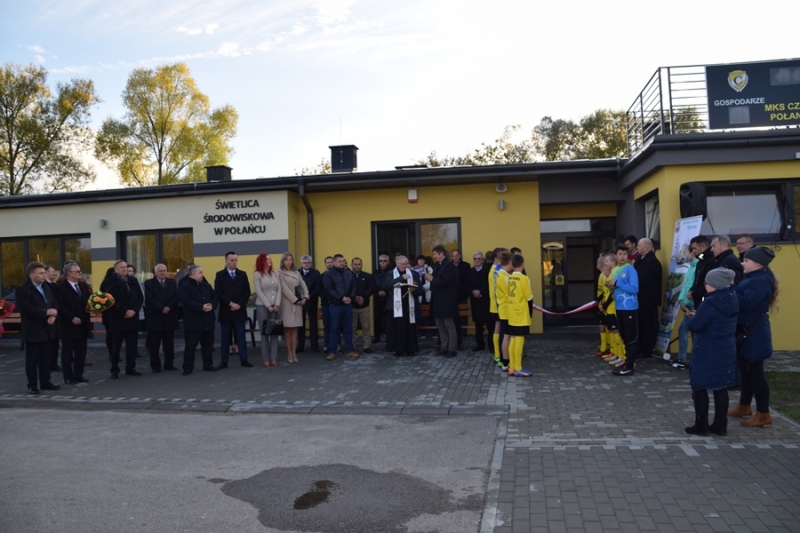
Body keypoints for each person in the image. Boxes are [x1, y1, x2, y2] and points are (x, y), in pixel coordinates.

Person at [684, 267, 738, 436]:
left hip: (707, 349)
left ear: (715, 284)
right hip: (726, 348)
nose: (705, 285)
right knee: (720, 387)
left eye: (707, 282)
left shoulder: (710, 303)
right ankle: (720, 425)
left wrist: (694, 317)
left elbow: (695, 325)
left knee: (699, 385)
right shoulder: (731, 298)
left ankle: (702, 425)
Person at [729, 247, 779, 428]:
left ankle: (763, 414)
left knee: (756, 372)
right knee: (745, 369)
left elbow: (747, 302)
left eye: (746, 261)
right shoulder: (753, 278)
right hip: (747, 330)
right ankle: (744, 406)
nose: (743, 263)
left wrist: (731, 289)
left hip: (754, 332)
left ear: (758, 263)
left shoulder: (760, 280)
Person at [17, 261, 60, 394]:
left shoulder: (46, 287)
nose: (44, 275)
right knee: (32, 359)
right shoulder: (23, 290)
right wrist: (46, 313)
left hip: (48, 329)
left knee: (46, 358)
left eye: (44, 273)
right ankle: (32, 385)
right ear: (31, 275)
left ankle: (45, 382)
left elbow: (54, 302)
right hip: (33, 331)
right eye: (40, 273)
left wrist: (53, 315)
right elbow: (26, 309)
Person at [53, 262, 91, 384]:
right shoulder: (60, 287)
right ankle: (68, 377)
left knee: (81, 352)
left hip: (82, 324)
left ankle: (78, 375)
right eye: (77, 271)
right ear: (69, 273)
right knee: (67, 353)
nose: (80, 273)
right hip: (68, 326)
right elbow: (60, 306)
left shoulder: (82, 286)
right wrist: (71, 318)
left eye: (80, 271)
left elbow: (88, 302)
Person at [214, 251, 253, 368]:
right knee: (225, 338)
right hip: (226, 311)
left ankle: (244, 359)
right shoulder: (220, 275)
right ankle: (224, 361)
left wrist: (239, 304)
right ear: (226, 261)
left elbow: (247, 291)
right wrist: (230, 303)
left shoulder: (242, 274)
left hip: (239, 311)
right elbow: (219, 292)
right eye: (231, 260)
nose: (234, 262)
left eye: (236, 260)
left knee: (241, 337)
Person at [105, 260, 144, 379]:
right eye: (122, 267)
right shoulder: (109, 282)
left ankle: (131, 368)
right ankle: (114, 370)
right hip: (118, 318)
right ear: (115, 269)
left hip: (132, 317)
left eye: (126, 267)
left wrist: (134, 310)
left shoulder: (133, 280)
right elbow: (110, 300)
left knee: (132, 345)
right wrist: (125, 311)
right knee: (116, 346)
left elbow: (140, 297)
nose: (125, 269)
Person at [178, 265, 219, 375]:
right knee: (190, 346)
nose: (202, 274)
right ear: (193, 274)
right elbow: (186, 301)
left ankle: (208, 364)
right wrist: (201, 307)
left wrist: (212, 305)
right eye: (200, 272)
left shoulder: (205, 285)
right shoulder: (185, 286)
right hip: (193, 322)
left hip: (208, 320)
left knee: (208, 345)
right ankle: (188, 367)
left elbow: (215, 297)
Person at [607, 244, 639, 376]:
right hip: (619, 307)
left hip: (630, 308)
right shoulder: (614, 270)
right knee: (624, 336)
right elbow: (613, 289)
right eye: (620, 254)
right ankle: (627, 361)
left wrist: (617, 283)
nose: (622, 257)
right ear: (615, 256)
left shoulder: (630, 270)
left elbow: (634, 289)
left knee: (631, 337)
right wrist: (610, 287)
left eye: (625, 254)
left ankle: (630, 365)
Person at [144, 263, 179, 373]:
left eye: (164, 270)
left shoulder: (172, 282)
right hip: (155, 317)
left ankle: (169, 364)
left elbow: (176, 297)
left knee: (169, 343)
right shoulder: (149, 283)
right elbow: (150, 299)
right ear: (155, 273)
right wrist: (162, 308)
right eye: (160, 271)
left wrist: (169, 307)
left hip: (169, 316)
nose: (163, 273)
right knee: (154, 344)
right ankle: (155, 366)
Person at [322, 254, 359, 360]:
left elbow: (354, 286)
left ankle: (350, 350)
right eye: (339, 261)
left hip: (347, 305)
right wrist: (341, 298)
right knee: (334, 328)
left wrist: (350, 297)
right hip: (335, 305)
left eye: (343, 261)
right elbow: (328, 289)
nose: (342, 263)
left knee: (348, 328)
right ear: (334, 262)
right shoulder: (329, 274)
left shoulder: (349, 273)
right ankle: (332, 351)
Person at [382, 255, 420, 356]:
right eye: (403, 264)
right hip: (395, 306)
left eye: (406, 264)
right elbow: (387, 285)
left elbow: (418, 288)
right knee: (397, 328)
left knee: (409, 328)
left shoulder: (412, 273)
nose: (405, 266)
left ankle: (410, 349)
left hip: (408, 305)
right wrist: (401, 278)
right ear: (397, 264)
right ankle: (398, 349)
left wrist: (414, 289)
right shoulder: (391, 273)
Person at [425, 245, 459, 358]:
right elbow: (435, 281)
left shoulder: (449, 266)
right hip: (438, 301)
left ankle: (452, 349)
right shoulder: (438, 266)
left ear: (441, 253)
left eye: (435, 254)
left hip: (447, 301)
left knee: (449, 325)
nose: (434, 256)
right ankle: (444, 347)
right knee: (440, 325)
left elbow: (445, 281)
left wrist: (432, 279)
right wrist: (431, 279)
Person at [634, 238, 662, 360]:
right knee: (641, 324)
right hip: (641, 299)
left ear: (646, 247)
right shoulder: (641, 259)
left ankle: (647, 349)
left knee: (648, 325)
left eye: (639, 246)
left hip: (648, 300)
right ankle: (640, 348)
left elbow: (642, 280)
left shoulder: (651, 262)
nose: (637, 248)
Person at [278, 252, 308, 363]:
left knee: (295, 328)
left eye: (290, 260)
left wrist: (305, 297)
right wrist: (295, 300)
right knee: (288, 328)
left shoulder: (296, 272)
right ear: (283, 261)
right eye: (286, 260)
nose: (288, 262)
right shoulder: (279, 273)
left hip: (298, 304)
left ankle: (294, 352)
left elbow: (303, 285)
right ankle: (289, 353)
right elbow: (284, 289)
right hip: (287, 303)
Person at [506, 254, 533, 377]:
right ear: (522, 264)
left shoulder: (509, 278)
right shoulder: (524, 279)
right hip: (520, 313)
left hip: (511, 313)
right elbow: (529, 297)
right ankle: (518, 367)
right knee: (520, 340)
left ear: (512, 264)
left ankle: (512, 366)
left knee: (512, 339)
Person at [673, 247, 699, 370]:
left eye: (687, 252)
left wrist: (686, 301)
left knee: (683, 329)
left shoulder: (698, 266)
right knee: (692, 331)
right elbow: (686, 286)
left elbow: (693, 288)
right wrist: (681, 299)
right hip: (688, 304)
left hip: (693, 304)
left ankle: (682, 359)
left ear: (693, 252)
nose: (686, 255)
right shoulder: (691, 267)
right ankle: (693, 359)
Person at [254, 253, 282, 367]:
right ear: (261, 261)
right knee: (264, 332)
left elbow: (279, 289)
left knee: (274, 331)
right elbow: (259, 291)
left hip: (275, 306)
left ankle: (274, 358)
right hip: (262, 306)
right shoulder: (257, 274)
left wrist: (277, 304)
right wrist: (268, 305)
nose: (269, 261)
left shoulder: (275, 273)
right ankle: (266, 359)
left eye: (270, 259)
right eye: (266, 259)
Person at [467, 251, 491, 352]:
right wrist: (473, 291)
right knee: (478, 325)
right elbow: (467, 284)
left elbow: (489, 284)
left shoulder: (488, 270)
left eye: (479, 259)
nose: (477, 260)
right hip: (475, 301)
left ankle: (491, 345)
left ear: (482, 260)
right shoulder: (470, 272)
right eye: (475, 259)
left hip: (486, 301)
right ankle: (480, 344)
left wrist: (481, 292)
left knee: (490, 325)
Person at [298, 255, 321, 353]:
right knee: (300, 324)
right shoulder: (297, 273)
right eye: (305, 263)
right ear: (301, 264)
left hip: (312, 300)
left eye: (308, 263)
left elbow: (317, 287)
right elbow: (295, 287)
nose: (307, 264)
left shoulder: (316, 273)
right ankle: (300, 346)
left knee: (313, 324)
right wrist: (301, 298)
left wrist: (308, 297)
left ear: (311, 263)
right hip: (300, 301)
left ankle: (314, 346)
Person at [351, 257, 374, 353]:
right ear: (352, 265)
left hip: (364, 306)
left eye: (359, 264)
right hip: (351, 307)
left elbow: (371, 288)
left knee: (366, 327)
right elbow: (346, 289)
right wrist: (354, 297)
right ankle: (352, 346)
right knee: (352, 328)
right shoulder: (348, 276)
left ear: (361, 265)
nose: (357, 266)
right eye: (355, 264)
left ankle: (367, 345)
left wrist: (363, 297)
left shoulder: (367, 276)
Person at [451, 248, 471, 350]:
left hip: (462, 294)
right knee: (454, 316)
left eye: (457, 255)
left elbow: (467, 280)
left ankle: (463, 332)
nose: (455, 257)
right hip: (452, 296)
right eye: (453, 256)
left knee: (463, 315)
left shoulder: (466, 266)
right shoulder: (449, 266)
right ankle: (455, 333)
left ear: (460, 256)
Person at [372, 254, 393, 344]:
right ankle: (377, 337)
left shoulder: (391, 272)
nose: (382, 262)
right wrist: (378, 292)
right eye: (381, 261)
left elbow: (392, 284)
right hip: (378, 298)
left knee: (389, 318)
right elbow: (372, 284)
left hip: (388, 298)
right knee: (377, 318)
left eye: (384, 261)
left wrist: (386, 292)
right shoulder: (375, 273)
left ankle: (390, 336)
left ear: (388, 262)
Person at [320, 256, 334, 352]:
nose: (329, 264)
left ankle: (336, 345)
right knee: (327, 325)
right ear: (325, 264)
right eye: (327, 262)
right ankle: (326, 345)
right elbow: (319, 289)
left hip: (336, 304)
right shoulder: (321, 276)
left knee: (335, 325)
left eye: (331, 262)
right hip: (325, 304)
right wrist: (327, 297)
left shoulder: (337, 275)